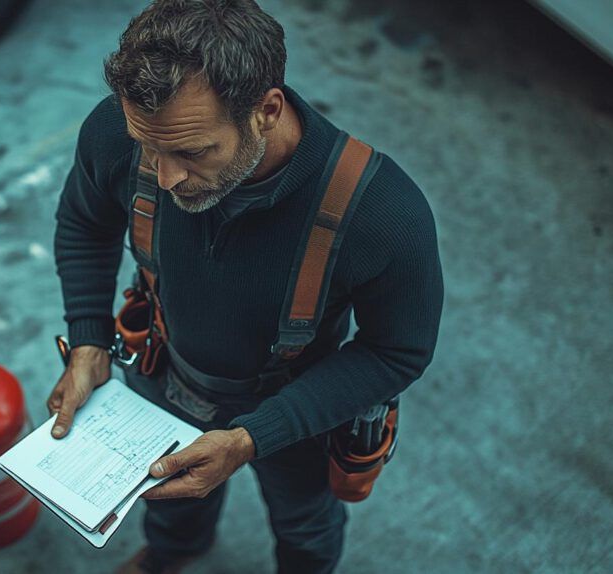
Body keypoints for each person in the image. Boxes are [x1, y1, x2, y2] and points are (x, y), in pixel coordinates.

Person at [49, 1, 444, 572]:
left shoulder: (382, 214)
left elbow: (396, 350)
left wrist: (254, 436)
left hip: (295, 405)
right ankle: (174, 553)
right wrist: (87, 340)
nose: (165, 178)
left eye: (191, 151)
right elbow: (86, 222)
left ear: (266, 110)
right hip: (165, 366)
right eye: (149, 147)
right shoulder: (119, 132)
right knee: (164, 495)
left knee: (305, 527)